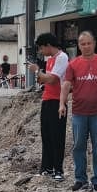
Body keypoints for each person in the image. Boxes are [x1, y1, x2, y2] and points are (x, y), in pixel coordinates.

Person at [59, 31, 97, 192]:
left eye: (88, 43)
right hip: (79, 112)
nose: (86, 46)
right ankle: (80, 179)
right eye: (82, 44)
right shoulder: (73, 64)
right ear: (79, 45)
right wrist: (61, 104)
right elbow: (66, 84)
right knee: (78, 146)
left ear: (94, 43)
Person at [27, 33, 69, 180]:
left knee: (57, 136)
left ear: (48, 45)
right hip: (47, 99)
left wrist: (37, 70)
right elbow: (43, 80)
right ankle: (47, 167)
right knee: (46, 136)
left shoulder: (62, 57)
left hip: (57, 101)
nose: (40, 51)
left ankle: (58, 169)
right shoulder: (50, 60)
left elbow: (51, 79)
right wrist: (40, 74)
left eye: (41, 48)